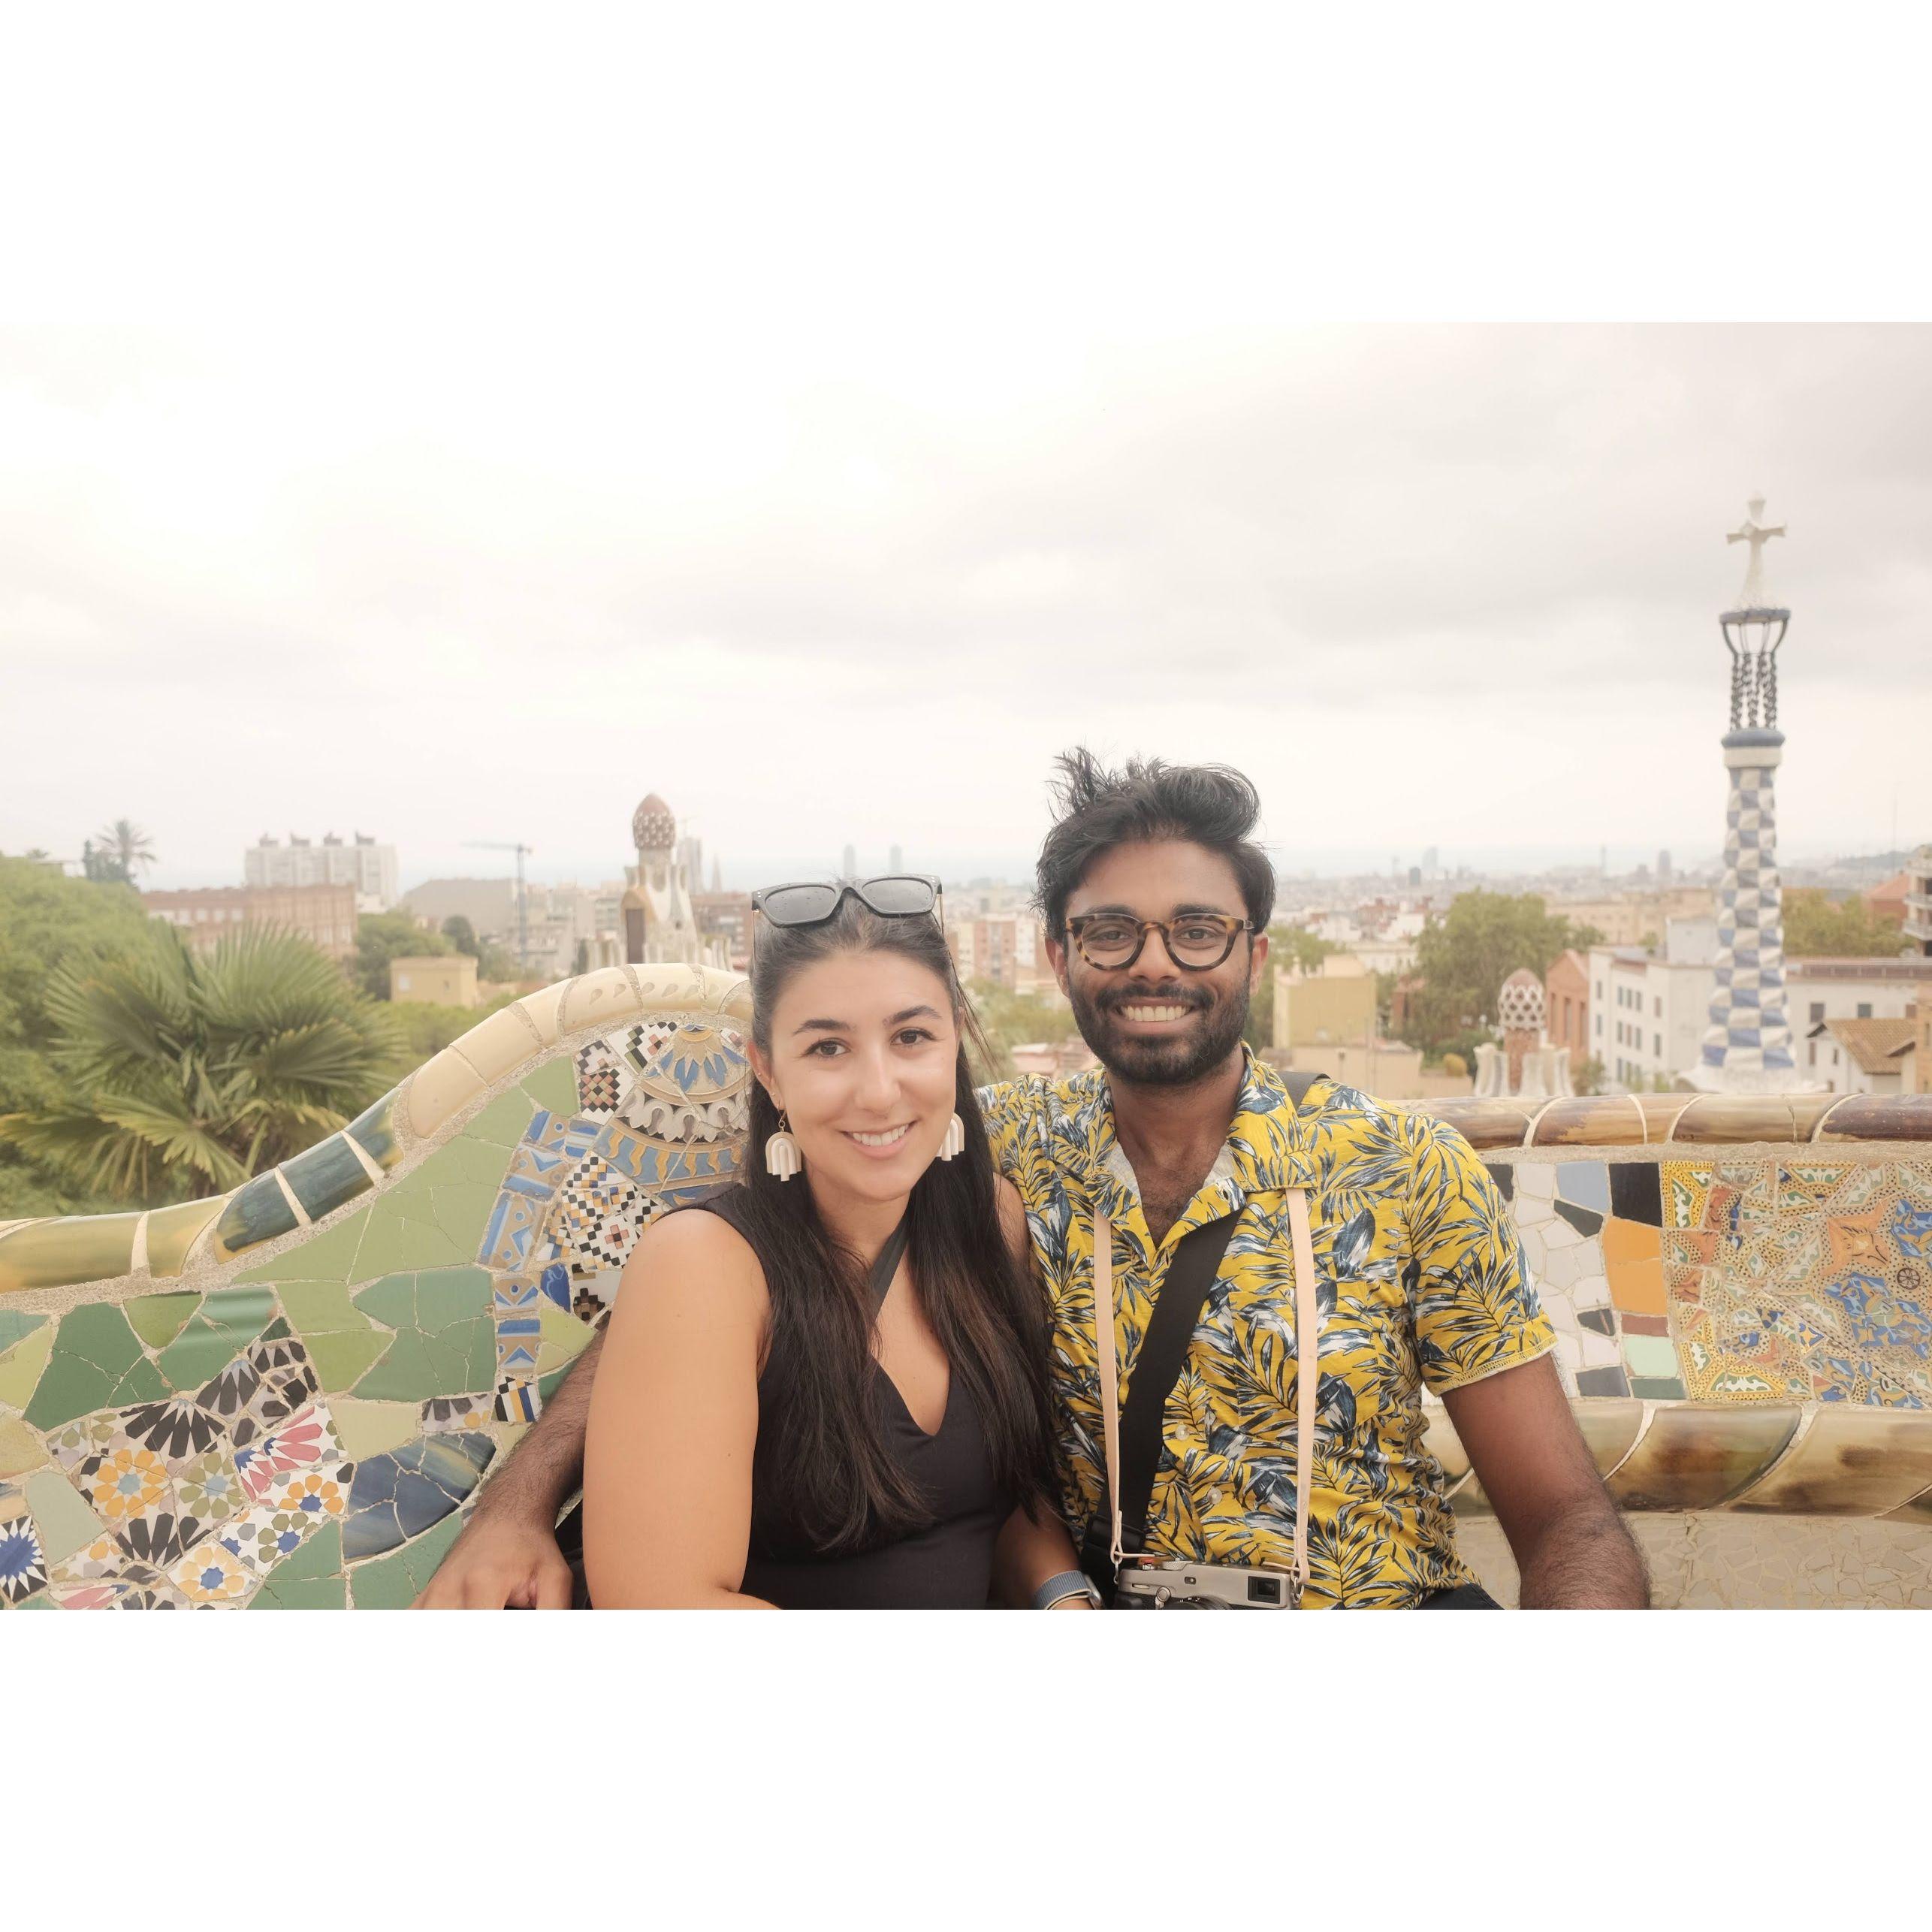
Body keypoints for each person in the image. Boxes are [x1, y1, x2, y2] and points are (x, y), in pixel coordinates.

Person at [420, 752, 1647, 1610]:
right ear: (1058, 952)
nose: (1153, 962)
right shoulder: (990, 1152)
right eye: (1111, 931)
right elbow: (726, 1290)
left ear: (1255, 954)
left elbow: (1566, 1518)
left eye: (1196, 929)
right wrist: (516, 1499)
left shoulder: (1402, 1171)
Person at [579, 875, 1093, 1609]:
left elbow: (999, 1509)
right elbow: (663, 1601)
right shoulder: (707, 1266)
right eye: (828, 1048)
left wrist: (1063, 1599)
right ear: (767, 1070)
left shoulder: (988, 1222)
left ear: (953, 1042)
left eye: (911, 1036)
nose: (878, 1090)